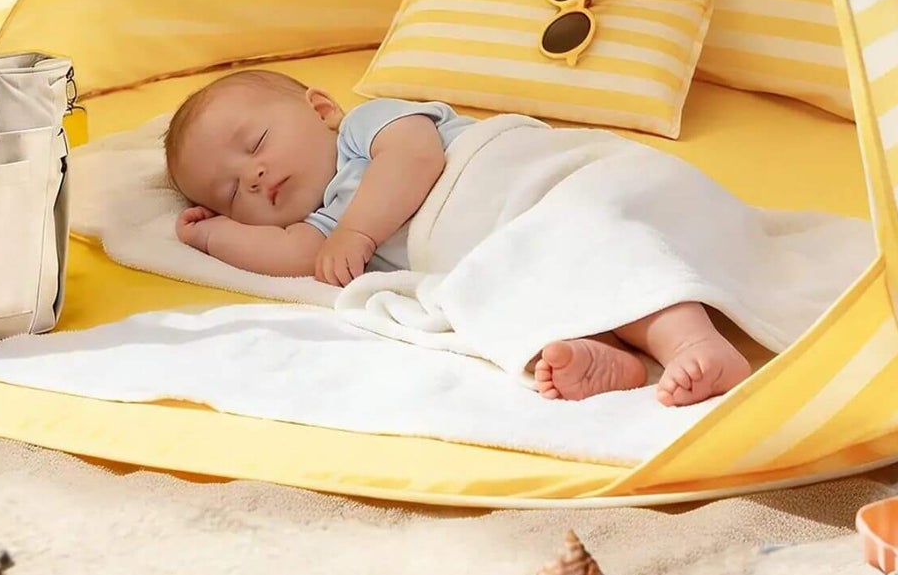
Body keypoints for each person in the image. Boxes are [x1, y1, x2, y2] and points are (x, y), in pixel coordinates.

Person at [164, 68, 751, 407]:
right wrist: (217, 236)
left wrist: (360, 231)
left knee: (596, 232)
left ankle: (692, 343)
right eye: (231, 190)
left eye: (257, 143)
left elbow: (416, 157)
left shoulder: (366, 130)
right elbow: (298, 258)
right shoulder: (323, 229)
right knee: (503, 286)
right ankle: (612, 352)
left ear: (319, 108)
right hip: (513, 237)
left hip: (540, 181)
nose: (254, 175)